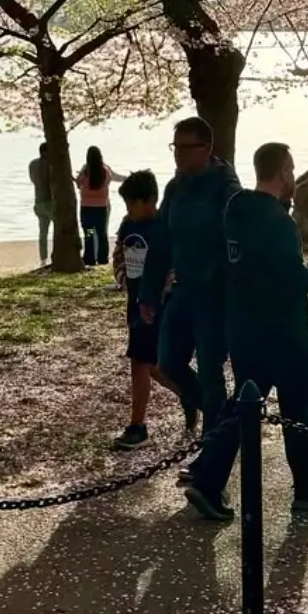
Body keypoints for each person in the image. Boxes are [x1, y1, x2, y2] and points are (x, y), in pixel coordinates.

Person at [184, 142, 308, 523]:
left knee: (243, 405)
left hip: (243, 326)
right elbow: (291, 278)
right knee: (299, 406)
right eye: (292, 169)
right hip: (284, 329)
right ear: (283, 171)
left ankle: (208, 478)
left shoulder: (235, 209)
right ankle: (306, 486)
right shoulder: (279, 222)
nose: (294, 177)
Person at [139, 116, 240, 456]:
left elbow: (237, 242)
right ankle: (223, 419)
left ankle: (211, 451)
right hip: (182, 291)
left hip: (214, 295)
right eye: (175, 147)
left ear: (207, 148)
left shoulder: (226, 187)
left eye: (186, 147)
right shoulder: (175, 188)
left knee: (211, 371)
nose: (178, 154)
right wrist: (148, 293)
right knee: (167, 363)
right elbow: (161, 242)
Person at [112, 170, 187, 450]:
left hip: (155, 306)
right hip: (135, 304)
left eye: (132, 204)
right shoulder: (127, 225)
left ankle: (138, 425)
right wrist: (124, 279)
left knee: (142, 363)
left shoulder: (161, 228)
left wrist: (156, 295)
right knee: (152, 366)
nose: (128, 210)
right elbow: (119, 255)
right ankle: (190, 396)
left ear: (149, 201)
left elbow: (170, 266)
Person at [76, 144, 123, 268]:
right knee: (102, 233)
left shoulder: (85, 171)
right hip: (101, 207)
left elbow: (79, 184)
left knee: (89, 233)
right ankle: (103, 259)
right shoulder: (105, 171)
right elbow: (107, 183)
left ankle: (89, 258)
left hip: (86, 208)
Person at [29, 143, 53, 266]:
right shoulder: (50, 165)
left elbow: (34, 180)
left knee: (43, 232)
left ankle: (43, 259)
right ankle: (56, 255)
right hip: (50, 202)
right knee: (59, 229)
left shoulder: (32, 164)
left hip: (38, 202)